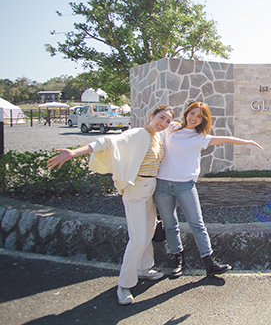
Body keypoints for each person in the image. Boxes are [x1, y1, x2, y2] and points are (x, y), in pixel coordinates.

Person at [47, 105, 175, 306]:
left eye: (167, 121)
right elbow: (107, 141)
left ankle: (144, 268)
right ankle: (124, 284)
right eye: (161, 118)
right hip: (136, 189)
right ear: (151, 116)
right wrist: (73, 153)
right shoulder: (137, 134)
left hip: (151, 188)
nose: (164, 123)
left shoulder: (158, 137)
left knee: (149, 230)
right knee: (138, 237)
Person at [154, 101, 263, 278]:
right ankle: (178, 260)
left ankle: (209, 262)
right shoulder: (171, 128)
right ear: (187, 113)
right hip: (162, 185)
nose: (194, 118)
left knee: (197, 223)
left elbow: (227, 138)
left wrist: (248, 142)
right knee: (170, 224)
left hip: (185, 185)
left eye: (199, 116)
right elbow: (153, 129)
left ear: (203, 120)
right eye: (192, 113)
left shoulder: (201, 138)